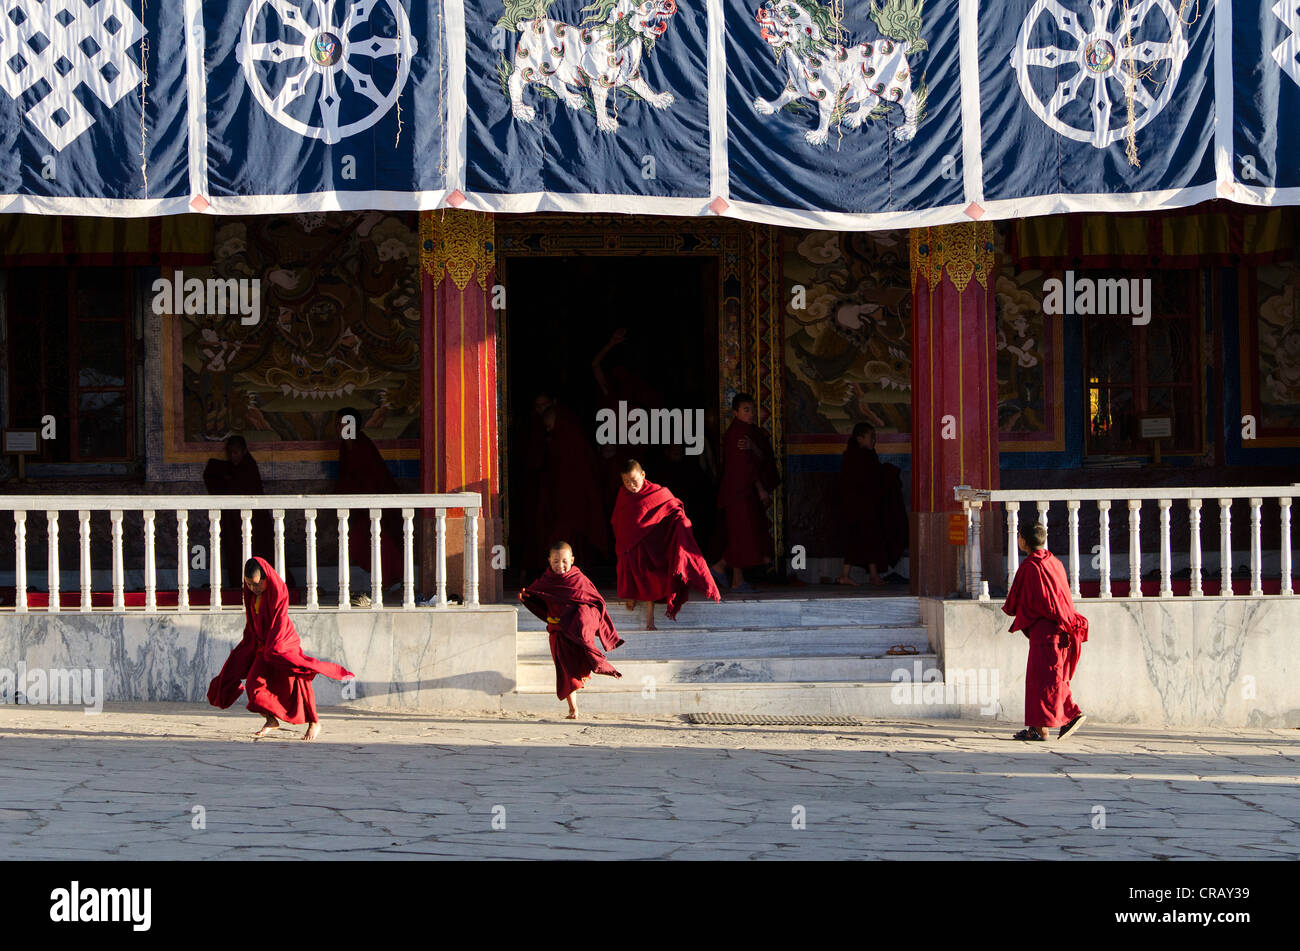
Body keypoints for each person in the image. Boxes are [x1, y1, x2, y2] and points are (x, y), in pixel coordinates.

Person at [207, 557, 355, 741]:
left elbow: (278, 622)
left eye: (256, 584)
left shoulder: (277, 592)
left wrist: (274, 648)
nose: (253, 589)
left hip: (282, 643)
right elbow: (253, 625)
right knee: (253, 684)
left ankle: (314, 722)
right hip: (264, 646)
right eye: (249, 585)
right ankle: (271, 719)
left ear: (266, 578)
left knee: (297, 680)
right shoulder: (252, 596)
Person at [1001, 522, 1088, 742]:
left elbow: (1012, 604)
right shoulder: (1055, 562)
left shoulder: (1030, 567)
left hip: (1045, 632)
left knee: (1046, 681)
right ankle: (1039, 729)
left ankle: (1070, 715)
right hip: (1062, 629)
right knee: (1046, 679)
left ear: (1022, 540)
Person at [518, 541, 623, 720]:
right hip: (558, 631)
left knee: (579, 666)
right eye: (556, 562)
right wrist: (526, 597)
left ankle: (587, 673)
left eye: (565, 561)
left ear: (572, 560)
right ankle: (573, 708)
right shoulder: (546, 580)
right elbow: (536, 595)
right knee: (566, 670)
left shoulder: (578, 579)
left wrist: (583, 622)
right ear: (549, 562)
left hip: (578, 633)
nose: (560, 566)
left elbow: (594, 602)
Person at [612, 459, 720, 630]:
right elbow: (619, 521)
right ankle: (631, 595)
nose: (631, 485)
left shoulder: (656, 492)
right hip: (631, 546)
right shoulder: (623, 495)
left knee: (650, 575)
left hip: (653, 546)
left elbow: (673, 507)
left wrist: (681, 521)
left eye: (634, 481)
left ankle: (650, 617)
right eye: (626, 482)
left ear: (643, 475)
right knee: (631, 564)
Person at [523, 394, 609, 573]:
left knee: (567, 532)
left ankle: (570, 571)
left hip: (572, 497)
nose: (548, 431)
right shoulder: (553, 436)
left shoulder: (569, 436)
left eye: (549, 427)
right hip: (561, 497)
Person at [711, 393, 780, 593]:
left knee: (742, 536)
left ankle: (725, 571)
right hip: (739, 492)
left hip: (743, 493)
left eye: (752, 409)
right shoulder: (737, 434)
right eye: (746, 410)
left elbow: (760, 456)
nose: (751, 414)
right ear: (735, 412)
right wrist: (760, 490)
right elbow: (745, 467)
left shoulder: (749, 434)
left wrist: (754, 447)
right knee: (742, 537)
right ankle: (732, 576)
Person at [336, 407, 403, 598]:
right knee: (361, 541)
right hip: (360, 505)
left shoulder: (361, 444)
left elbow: (371, 476)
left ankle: (395, 578)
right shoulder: (345, 446)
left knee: (380, 541)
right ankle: (388, 579)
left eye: (342, 423)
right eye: (338, 423)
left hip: (376, 500)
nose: (338, 427)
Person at [837, 422, 908, 586]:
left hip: (865, 505)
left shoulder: (862, 454)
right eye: (871, 437)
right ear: (860, 438)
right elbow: (869, 477)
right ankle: (848, 575)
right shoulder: (856, 456)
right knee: (861, 539)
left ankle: (871, 575)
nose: (874, 441)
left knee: (869, 539)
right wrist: (889, 472)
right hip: (858, 505)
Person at [202, 435, 274, 591]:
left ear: (244, 451)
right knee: (236, 553)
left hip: (255, 521)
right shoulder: (233, 468)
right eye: (230, 453)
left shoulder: (249, 467)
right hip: (235, 521)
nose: (233, 457)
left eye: (236, 453)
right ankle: (240, 584)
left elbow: (243, 488)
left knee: (260, 552)